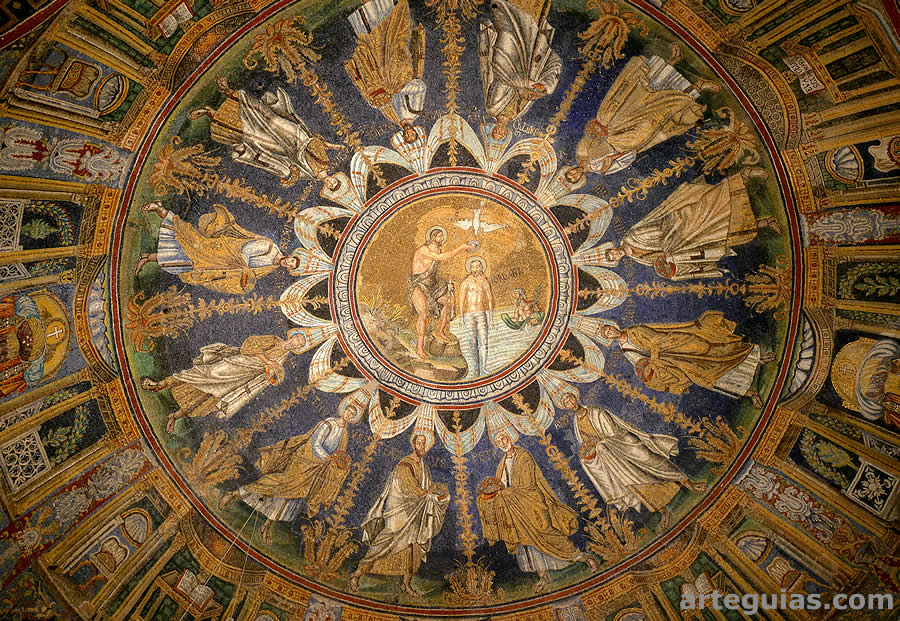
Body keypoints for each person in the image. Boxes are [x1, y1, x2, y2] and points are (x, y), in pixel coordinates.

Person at [565, 43, 718, 182]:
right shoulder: (601, 171)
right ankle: (697, 87)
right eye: (575, 178)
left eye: (570, 174)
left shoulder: (581, 151)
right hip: (627, 141)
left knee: (638, 95)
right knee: (657, 116)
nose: (574, 174)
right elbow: (625, 160)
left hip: (613, 123)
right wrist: (612, 157)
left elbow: (591, 130)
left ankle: (672, 61)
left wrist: (601, 132)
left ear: (569, 169)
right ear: (580, 179)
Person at [600, 169, 780, 279]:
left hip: (682, 223)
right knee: (722, 234)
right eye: (615, 258)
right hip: (687, 240)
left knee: (713, 201)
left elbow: (660, 228)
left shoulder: (633, 237)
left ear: (613, 248)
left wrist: (670, 246)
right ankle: (765, 222)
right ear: (618, 260)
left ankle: (745, 175)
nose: (616, 255)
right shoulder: (637, 258)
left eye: (612, 253)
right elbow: (663, 259)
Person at [562, 393, 706, 529]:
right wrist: (590, 452)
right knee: (636, 483)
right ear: (566, 407)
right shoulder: (577, 425)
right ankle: (663, 511)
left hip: (625, 444)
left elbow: (612, 432)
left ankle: (688, 483)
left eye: (570, 398)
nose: (570, 402)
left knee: (654, 461)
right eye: (566, 402)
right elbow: (587, 444)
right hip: (613, 458)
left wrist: (598, 443)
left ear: (576, 397)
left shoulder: (596, 411)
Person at [477, 431, 598, 593]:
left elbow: (527, 485)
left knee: (547, 532)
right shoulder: (501, 464)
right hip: (515, 511)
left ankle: (583, 558)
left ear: (511, 438)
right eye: (498, 441)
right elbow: (501, 487)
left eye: (503, 438)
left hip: (531, 504)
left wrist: (503, 494)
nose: (502, 443)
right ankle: (543, 577)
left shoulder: (523, 456)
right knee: (527, 546)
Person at [219, 406, 356, 544]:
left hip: (317, 468)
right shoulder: (329, 424)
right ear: (343, 410)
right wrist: (326, 457)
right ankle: (235, 493)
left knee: (294, 496)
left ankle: (267, 525)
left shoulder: (344, 433)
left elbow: (339, 453)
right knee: (281, 483)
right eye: (348, 411)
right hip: (304, 460)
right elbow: (315, 443)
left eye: (353, 414)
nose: (349, 415)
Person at [141, 330, 307, 433]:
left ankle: (174, 416)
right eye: (298, 339)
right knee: (204, 374)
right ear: (291, 337)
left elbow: (275, 377)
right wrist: (268, 362)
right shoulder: (274, 340)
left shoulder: (284, 358)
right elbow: (249, 346)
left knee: (210, 398)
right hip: (237, 364)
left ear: (297, 349)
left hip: (243, 379)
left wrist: (273, 375)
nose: (297, 343)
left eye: (300, 344)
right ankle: (159, 385)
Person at [190, 76, 345, 186]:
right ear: (336, 177)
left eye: (331, 186)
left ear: (327, 188)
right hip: (298, 138)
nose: (331, 183)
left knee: (254, 137)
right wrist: (336, 146)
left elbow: (286, 168)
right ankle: (228, 91)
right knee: (270, 119)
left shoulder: (310, 176)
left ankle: (210, 113)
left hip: (286, 151)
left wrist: (288, 175)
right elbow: (318, 143)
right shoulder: (325, 163)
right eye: (335, 182)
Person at [600, 312, 775, 407]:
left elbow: (657, 338)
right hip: (671, 362)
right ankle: (748, 392)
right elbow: (640, 364)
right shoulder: (625, 350)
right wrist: (650, 372)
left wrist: (655, 353)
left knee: (712, 350)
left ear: (613, 326)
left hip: (677, 345)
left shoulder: (634, 330)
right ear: (609, 339)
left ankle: (757, 358)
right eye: (607, 334)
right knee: (704, 377)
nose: (611, 332)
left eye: (609, 329)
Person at [349, 434, 449, 597]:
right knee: (384, 541)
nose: (421, 446)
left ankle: (406, 584)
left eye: (424, 444)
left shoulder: (424, 467)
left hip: (415, 512)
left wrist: (437, 496)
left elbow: (428, 489)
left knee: (412, 549)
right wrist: (427, 494)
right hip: (400, 510)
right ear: (413, 444)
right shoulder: (405, 464)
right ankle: (357, 574)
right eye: (419, 443)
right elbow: (408, 487)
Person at [135, 202, 301, 293]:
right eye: (292, 260)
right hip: (223, 251)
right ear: (290, 256)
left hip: (223, 265)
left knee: (186, 263)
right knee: (190, 241)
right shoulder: (270, 247)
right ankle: (161, 209)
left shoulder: (272, 267)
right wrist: (243, 270)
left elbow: (251, 275)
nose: (288, 263)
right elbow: (246, 250)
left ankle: (148, 257)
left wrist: (244, 283)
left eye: (290, 266)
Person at [344, 0, 426, 142]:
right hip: (399, 71)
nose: (409, 133)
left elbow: (381, 105)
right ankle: (386, 4)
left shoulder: (393, 117)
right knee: (393, 37)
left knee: (373, 47)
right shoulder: (415, 111)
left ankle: (367, 7)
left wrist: (374, 102)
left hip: (383, 76)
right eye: (412, 134)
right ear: (415, 130)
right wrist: (399, 89)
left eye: (407, 136)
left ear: (403, 135)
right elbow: (420, 88)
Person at [479, 0, 561, 140]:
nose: (499, 132)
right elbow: (528, 95)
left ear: (492, 128)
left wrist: (525, 85)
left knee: (510, 30)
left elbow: (501, 82)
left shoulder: (493, 108)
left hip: (508, 65)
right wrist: (537, 90)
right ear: (506, 133)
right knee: (533, 38)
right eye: (501, 135)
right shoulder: (518, 114)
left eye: (495, 133)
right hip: (527, 66)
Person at [408, 226, 477, 359]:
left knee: (449, 301)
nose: (442, 239)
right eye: (440, 236)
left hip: (433, 284)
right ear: (433, 238)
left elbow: (438, 261)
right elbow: (441, 257)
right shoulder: (424, 250)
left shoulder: (437, 248)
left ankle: (441, 331)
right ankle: (419, 349)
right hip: (419, 284)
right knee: (423, 314)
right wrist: (461, 248)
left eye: (442, 236)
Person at [458, 256, 494, 378]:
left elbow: (490, 299)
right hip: (469, 315)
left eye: (477, 266)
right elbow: (461, 300)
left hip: (481, 314)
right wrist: (461, 317)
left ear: (481, 267)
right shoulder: (466, 282)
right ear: (469, 268)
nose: (475, 269)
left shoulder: (484, 281)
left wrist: (491, 318)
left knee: (484, 341)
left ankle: (483, 367)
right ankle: (475, 368)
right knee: (472, 343)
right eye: (473, 266)